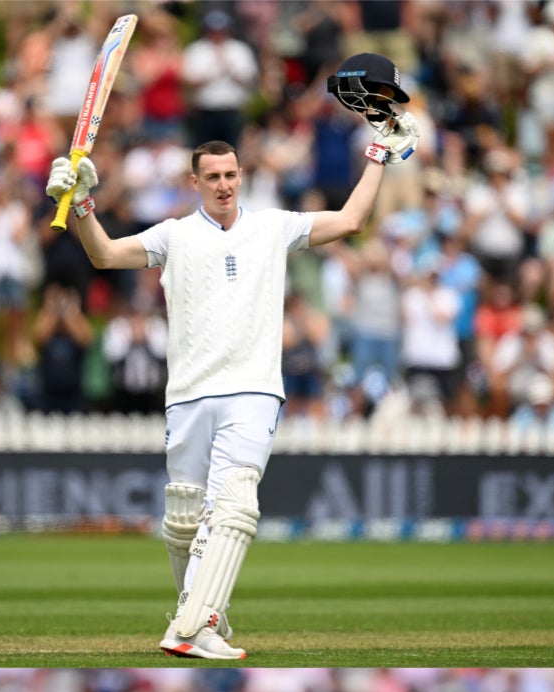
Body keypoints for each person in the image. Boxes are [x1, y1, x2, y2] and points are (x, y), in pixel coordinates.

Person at [49, 53, 418, 660]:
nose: (223, 184)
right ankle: (204, 622)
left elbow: (352, 220)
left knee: (235, 502)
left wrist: (378, 152)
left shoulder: (273, 226)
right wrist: (82, 203)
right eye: (212, 176)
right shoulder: (173, 233)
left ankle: (191, 627)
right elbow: (105, 256)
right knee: (184, 517)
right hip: (188, 393)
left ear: (241, 176)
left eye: (231, 175)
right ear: (195, 182)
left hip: (252, 389)